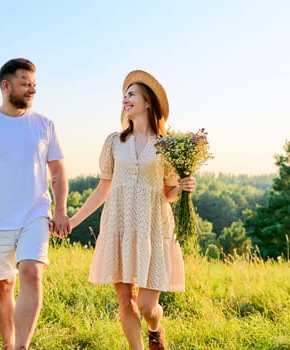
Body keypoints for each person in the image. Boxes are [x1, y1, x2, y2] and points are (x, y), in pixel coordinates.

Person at [69, 70, 196, 350]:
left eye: (131, 95)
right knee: (126, 301)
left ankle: (155, 328)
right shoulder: (115, 142)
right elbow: (103, 188)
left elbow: (168, 193)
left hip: (153, 225)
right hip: (120, 223)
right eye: (124, 96)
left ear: (148, 102)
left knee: (148, 305)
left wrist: (183, 186)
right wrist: (74, 220)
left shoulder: (166, 146)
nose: (125, 100)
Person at [0, 58, 70, 350]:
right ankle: (8, 345)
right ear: (6, 86)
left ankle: (22, 347)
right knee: (3, 285)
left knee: (32, 273)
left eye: (34, 84)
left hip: (35, 214)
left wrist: (60, 210)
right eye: (25, 83)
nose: (31, 89)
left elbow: (57, 171)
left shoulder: (45, 125)